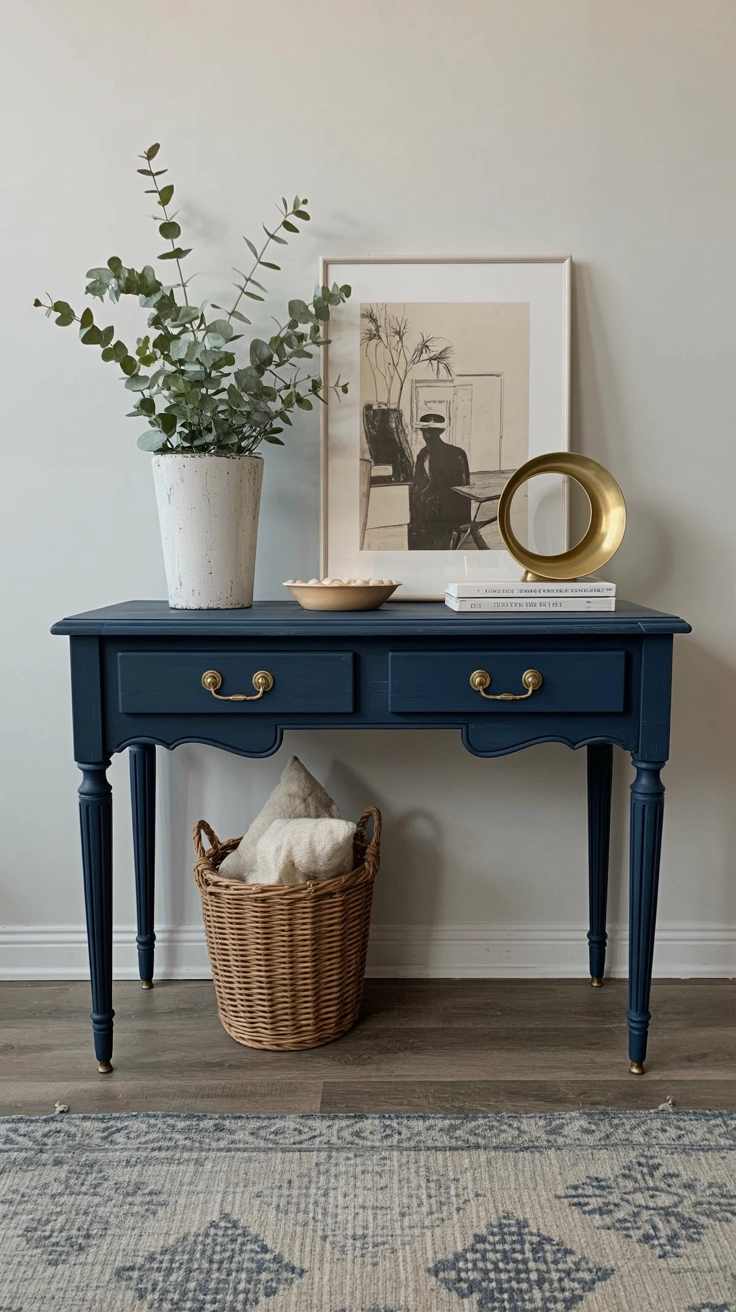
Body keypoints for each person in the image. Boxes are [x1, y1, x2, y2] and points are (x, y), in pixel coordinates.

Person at [408, 413, 470, 550]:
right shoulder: (424, 454)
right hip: (439, 514)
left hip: (443, 514)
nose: (425, 435)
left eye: (427, 432)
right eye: (424, 431)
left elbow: (454, 486)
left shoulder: (451, 454)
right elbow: (419, 481)